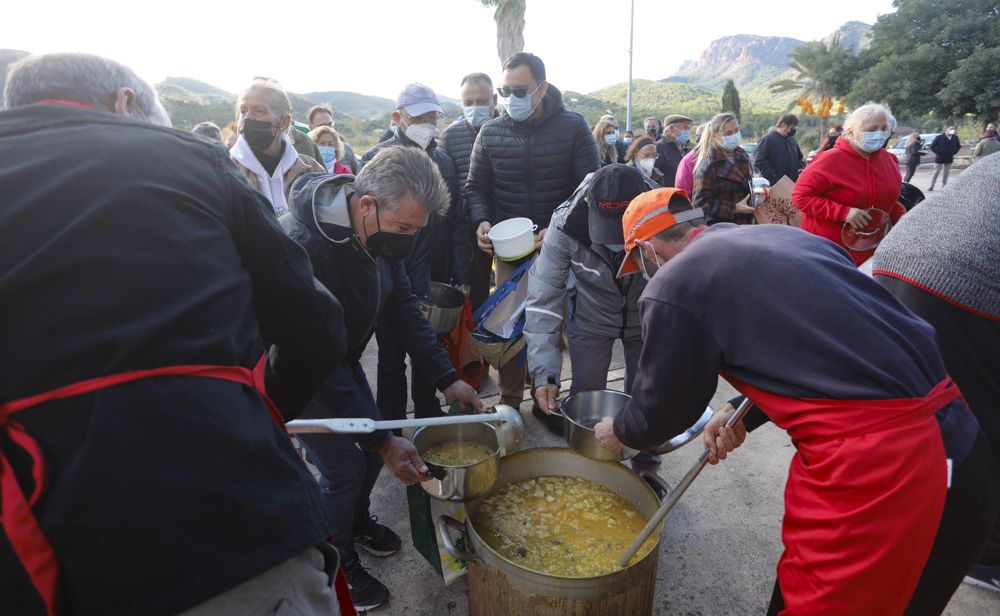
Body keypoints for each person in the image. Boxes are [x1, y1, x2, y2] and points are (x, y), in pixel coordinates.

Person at [1, 53, 353, 616]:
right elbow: (315, 324)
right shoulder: (191, 158)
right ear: (126, 105)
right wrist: (260, 404)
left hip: (37, 551)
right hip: (227, 525)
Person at [593, 195, 996, 616]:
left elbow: (664, 408)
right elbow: (825, 344)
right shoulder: (786, 240)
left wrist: (619, 432)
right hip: (963, 439)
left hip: (883, 471)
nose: (643, 276)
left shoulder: (674, 283)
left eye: (638, 265)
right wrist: (741, 410)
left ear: (645, 250)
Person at [280, 147, 483, 610]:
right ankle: (334, 559)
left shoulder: (379, 236)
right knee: (345, 465)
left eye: (417, 230)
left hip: (341, 356)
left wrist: (447, 377)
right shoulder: (305, 247)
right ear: (366, 204)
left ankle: (354, 523)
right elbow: (313, 358)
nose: (408, 241)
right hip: (299, 369)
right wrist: (384, 441)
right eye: (404, 228)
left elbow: (404, 308)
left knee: (372, 448)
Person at [873, 154, 1000, 595]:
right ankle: (983, 552)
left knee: (921, 399)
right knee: (975, 418)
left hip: (894, 260)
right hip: (962, 284)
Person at [466, 51, 600, 427]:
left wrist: (556, 229)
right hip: (510, 250)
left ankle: (548, 399)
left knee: (552, 326)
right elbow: (475, 188)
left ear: (541, 88)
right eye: (505, 90)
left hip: (562, 248)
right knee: (511, 329)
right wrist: (482, 221)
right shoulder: (490, 133)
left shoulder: (573, 127)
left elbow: (592, 188)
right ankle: (510, 405)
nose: (511, 98)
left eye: (520, 90)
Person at [526, 164, 661, 474]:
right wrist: (544, 375)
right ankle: (587, 461)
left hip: (647, 318)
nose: (614, 241)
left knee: (646, 392)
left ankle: (645, 459)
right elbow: (543, 301)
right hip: (590, 316)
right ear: (590, 207)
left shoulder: (666, 215)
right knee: (585, 392)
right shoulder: (565, 226)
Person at [361, 83, 471, 426]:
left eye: (431, 116)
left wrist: (460, 272)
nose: (427, 122)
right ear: (398, 117)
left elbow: (456, 220)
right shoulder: (377, 160)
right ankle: (391, 421)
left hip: (434, 276)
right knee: (391, 356)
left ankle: (427, 414)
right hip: (391, 275)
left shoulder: (443, 160)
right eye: (418, 116)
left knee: (430, 349)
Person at [793, 103, 905, 266]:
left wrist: (902, 217)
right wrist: (844, 212)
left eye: (884, 128)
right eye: (872, 129)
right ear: (851, 132)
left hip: (873, 248)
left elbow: (889, 200)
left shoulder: (889, 160)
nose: (879, 134)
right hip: (830, 250)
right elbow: (800, 197)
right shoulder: (828, 161)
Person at [439, 72, 499, 311]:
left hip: (508, 226)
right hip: (468, 235)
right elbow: (449, 201)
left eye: (482, 102)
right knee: (475, 302)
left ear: (494, 99)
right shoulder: (450, 137)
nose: (475, 108)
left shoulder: (509, 130)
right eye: (468, 103)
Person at [229, 79, 324, 216]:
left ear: (284, 122)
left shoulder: (310, 169)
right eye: (243, 111)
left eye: (259, 111)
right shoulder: (226, 171)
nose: (247, 118)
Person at [692, 112, 754, 225]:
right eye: (728, 133)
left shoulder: (742, 155)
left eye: (736, 130)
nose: (734, 136)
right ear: (714, 136)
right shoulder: (709, 165)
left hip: (746, 223)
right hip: (722, 226)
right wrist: (734, 208)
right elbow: (701, 203)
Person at [308, 104, 361, 174]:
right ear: (311, 127)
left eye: (330, 124)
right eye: (322, 125)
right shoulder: (304, 153)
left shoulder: (346, 150)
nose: (327, 128)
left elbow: (358, 176)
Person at [753, 113, 804, 184]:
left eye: (795, 128)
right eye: (792, 128)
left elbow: (800, 158)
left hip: (792, 184)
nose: (794, 130)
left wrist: (799, 170)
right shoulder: (768, 140)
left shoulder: (792, 141)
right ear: (783, 125)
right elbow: (758, 161)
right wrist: (773, 177)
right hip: (774, 185)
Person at [653, 114, 692, 187]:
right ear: (671, 129)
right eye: (685, 128)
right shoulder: (659, 148)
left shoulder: (685, 148)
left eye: (689, 129)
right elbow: (654, 177)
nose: (688, 132)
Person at [674, 122, 708, 194]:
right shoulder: (689, 161)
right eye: (697, 136)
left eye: (702, 135)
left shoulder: (729, 155)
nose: (699, 139)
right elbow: (683, 192)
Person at [929, 124, 961, 191]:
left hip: (949, 157)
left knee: (946, 173)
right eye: (950, 129)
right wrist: (938, 152)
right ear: (946, 130)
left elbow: (958, 146)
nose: (952, 131)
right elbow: (932, 147)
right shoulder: (939, 137)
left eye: (953, 130)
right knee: (936, 172)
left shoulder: (955, 137)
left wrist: (954, 152)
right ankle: (931, 185)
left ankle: (944, 185)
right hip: (939, 157)